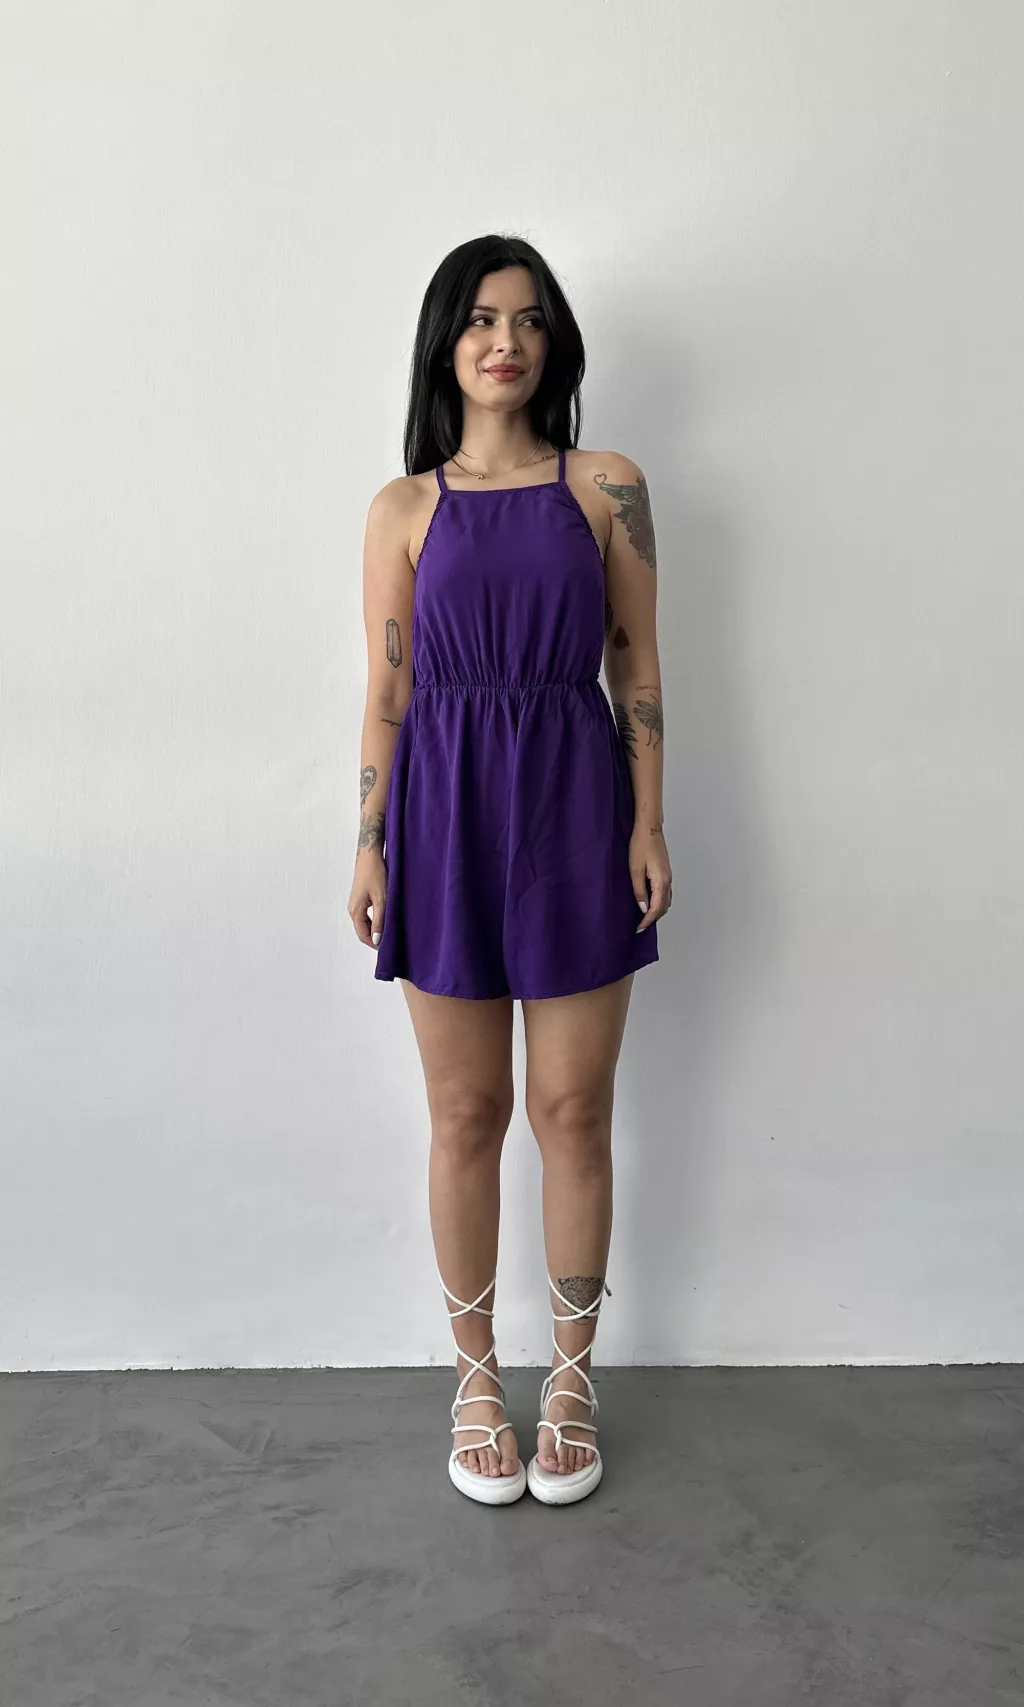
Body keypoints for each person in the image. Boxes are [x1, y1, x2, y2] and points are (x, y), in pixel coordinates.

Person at [348, 234, 672, 1506]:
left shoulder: (606, 486)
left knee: (573, 1110)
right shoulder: (402, 508)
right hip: (443, 818)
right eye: (482, 320)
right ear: (446, 342)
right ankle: (477, 1377)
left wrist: (649, 823)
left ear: (553, 344)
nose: (506, 342)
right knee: (466, 1113)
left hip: (575, 808)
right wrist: (369, 841)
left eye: (530, 321)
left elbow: (635, 664)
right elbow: (387, 693)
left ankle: (573, 1380)